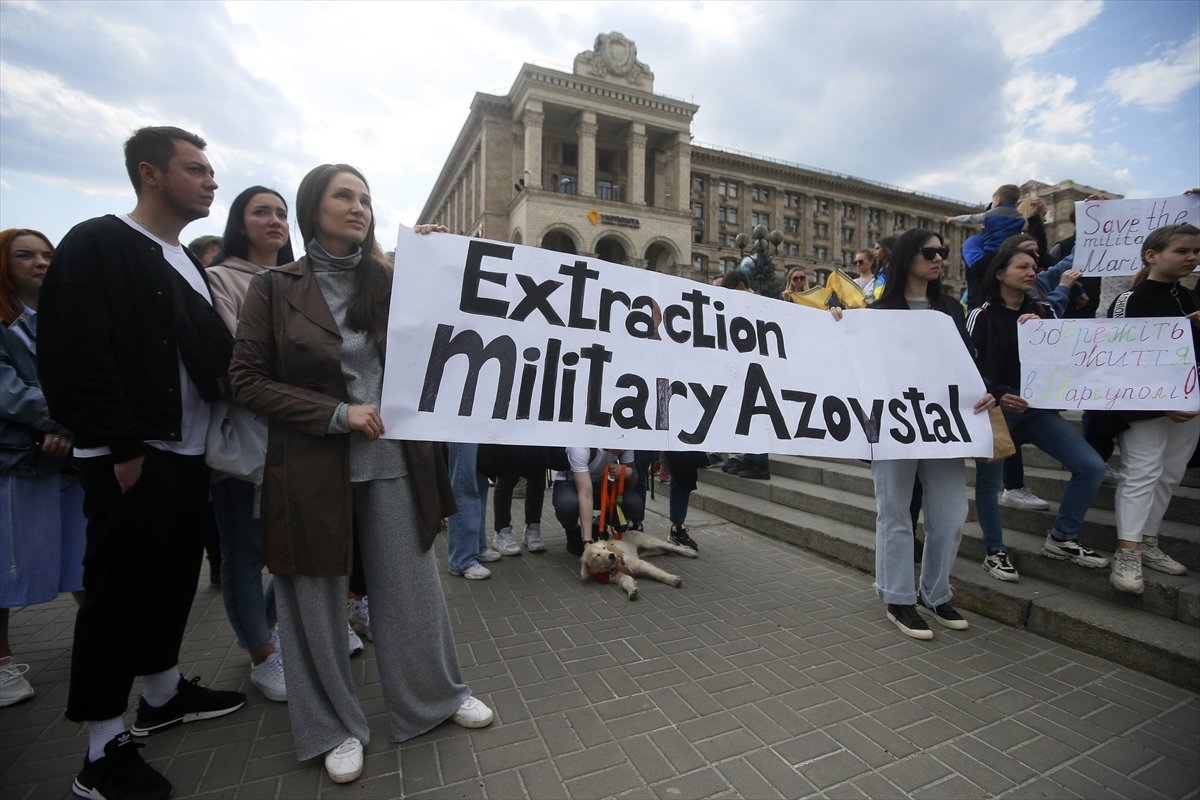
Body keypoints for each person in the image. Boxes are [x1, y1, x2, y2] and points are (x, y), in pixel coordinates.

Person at [228, 163, 491, 785]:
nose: (359, 206)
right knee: (314, 599)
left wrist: (437, 261)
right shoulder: (274, 287)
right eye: (344, 195)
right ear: (312, 206)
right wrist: (337, 414)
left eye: (366, 198)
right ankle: (334, 729)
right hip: (311, 466)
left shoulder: (390, 279)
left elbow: (453, 329)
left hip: (394, 461)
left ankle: (437, 696)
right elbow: (245, 380)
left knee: (411, 586)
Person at [37, 126, 245, 800]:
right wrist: (121, 445)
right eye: (196, 169)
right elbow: (73, 354)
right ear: (150, 173)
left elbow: (211, 356)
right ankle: (102, 748)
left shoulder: (184, 259)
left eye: (212, 171)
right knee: (117, 596)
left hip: (187, 454)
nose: (211, 181)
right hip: (132, 456)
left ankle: (161, 693)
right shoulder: (97, 242)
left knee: (173, 580)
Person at [833, 229, 994, 639]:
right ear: (907, 257)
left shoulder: (950, 309)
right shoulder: (876, 310)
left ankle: (936, 593)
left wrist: (984, 392)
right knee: (895, 512)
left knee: (951, 516)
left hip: (943, 426)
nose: (938, 258)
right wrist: (838, 326)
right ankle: (898, 597)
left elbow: (966, 362)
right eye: (929, 252)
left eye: (942, 252)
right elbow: (855, 361)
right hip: (894, 425)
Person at [967, 238, 1109, 583]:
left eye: (1034, 267)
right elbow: (968, 365)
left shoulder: (1043, 313)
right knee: (989, 485)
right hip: (997, 413)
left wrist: (1049, 325)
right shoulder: (980, 314)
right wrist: (999, 395)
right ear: (1000, 273)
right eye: (1022, 267)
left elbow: (1066, 351)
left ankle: (1062, 537)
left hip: (1038, 410)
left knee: (1090, 466)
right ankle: (994, 551)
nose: (1031, 272)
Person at [205, 186, 297, 703]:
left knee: (286, 548)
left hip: (295, 439)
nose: (274, 220)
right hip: (246, 441)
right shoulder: (219, 279)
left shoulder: (296, 279)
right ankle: (261, 655)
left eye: (282, 213)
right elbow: (244, 356)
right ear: (240, 222)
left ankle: (268, 624)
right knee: (244, 552)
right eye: (261, 211)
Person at [0, 228, 85, 708]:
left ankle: (105, 636)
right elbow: (9, 392)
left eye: (47, 254)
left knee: (81, 558)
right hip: (19, 461)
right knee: (7, 565)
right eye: (25, 255)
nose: (40, 262)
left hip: (66, 459)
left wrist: (69, 428)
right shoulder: (5, 322)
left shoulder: (60, 319)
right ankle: (2, 663)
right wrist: (64, 418)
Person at [1102, 223, 1199, 593]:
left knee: (1170, 473)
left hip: (1189, 402)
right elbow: (1120, 357)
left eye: (1195, 251)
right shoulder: (1132, 299)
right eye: (1181, 251)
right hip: (1145, 406)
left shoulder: (1189, 299)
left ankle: (1150, 539)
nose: (1191, 257)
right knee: (1141, 472)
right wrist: (1159, 399)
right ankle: (1128, 551)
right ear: (1152, 255)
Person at [947, 184, 1026, 306]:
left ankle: (971, 303)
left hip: (990, 254)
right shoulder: (1021, 217)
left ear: (997, 200)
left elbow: (971, 218)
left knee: (976, 276)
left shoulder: (991, 214)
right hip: (1008, 255)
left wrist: (953, 219)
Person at [553, 447, 643, 555]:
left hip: (600, 482)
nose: (622, 449)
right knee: (567, 505)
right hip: (571, 483)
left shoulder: (623, 443)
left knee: (633, 503)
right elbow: (585, 495)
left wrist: (628, 473)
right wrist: (588, 541)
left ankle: (600, 522)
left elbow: (632, 484)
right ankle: (573, 529)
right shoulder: (580, 448)